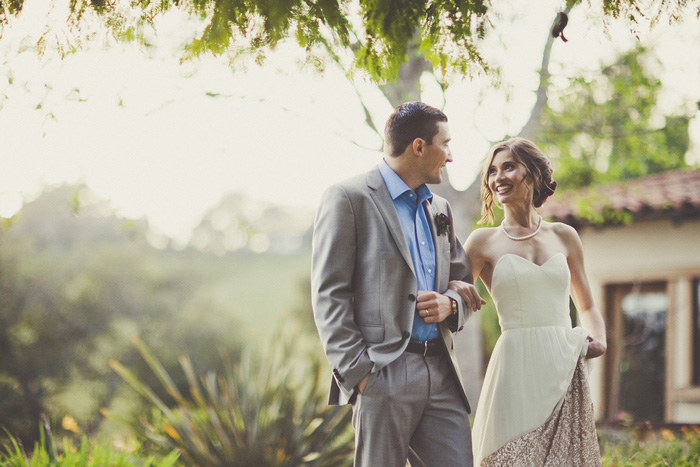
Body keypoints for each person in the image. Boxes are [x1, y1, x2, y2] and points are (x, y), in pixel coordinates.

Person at [311, 102, 485, 466]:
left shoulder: (440, 208)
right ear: (419, 147)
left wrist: (451, 304)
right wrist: (360, 374)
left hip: (442, 371)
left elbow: (462, 282)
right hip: (382, 373)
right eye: (446, 144)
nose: (450, 156)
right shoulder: (348, 198)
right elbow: (329, 294)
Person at [449, 137, 606, 466]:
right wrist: (453, 287)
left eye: (508, 166)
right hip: (514, 373)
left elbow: (587, 306)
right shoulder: (482, 241)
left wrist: (598, 339)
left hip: (563, 365)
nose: (498, 177)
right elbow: (452, 297)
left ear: (532, 174)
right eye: (492, 171)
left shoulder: (564, 236)